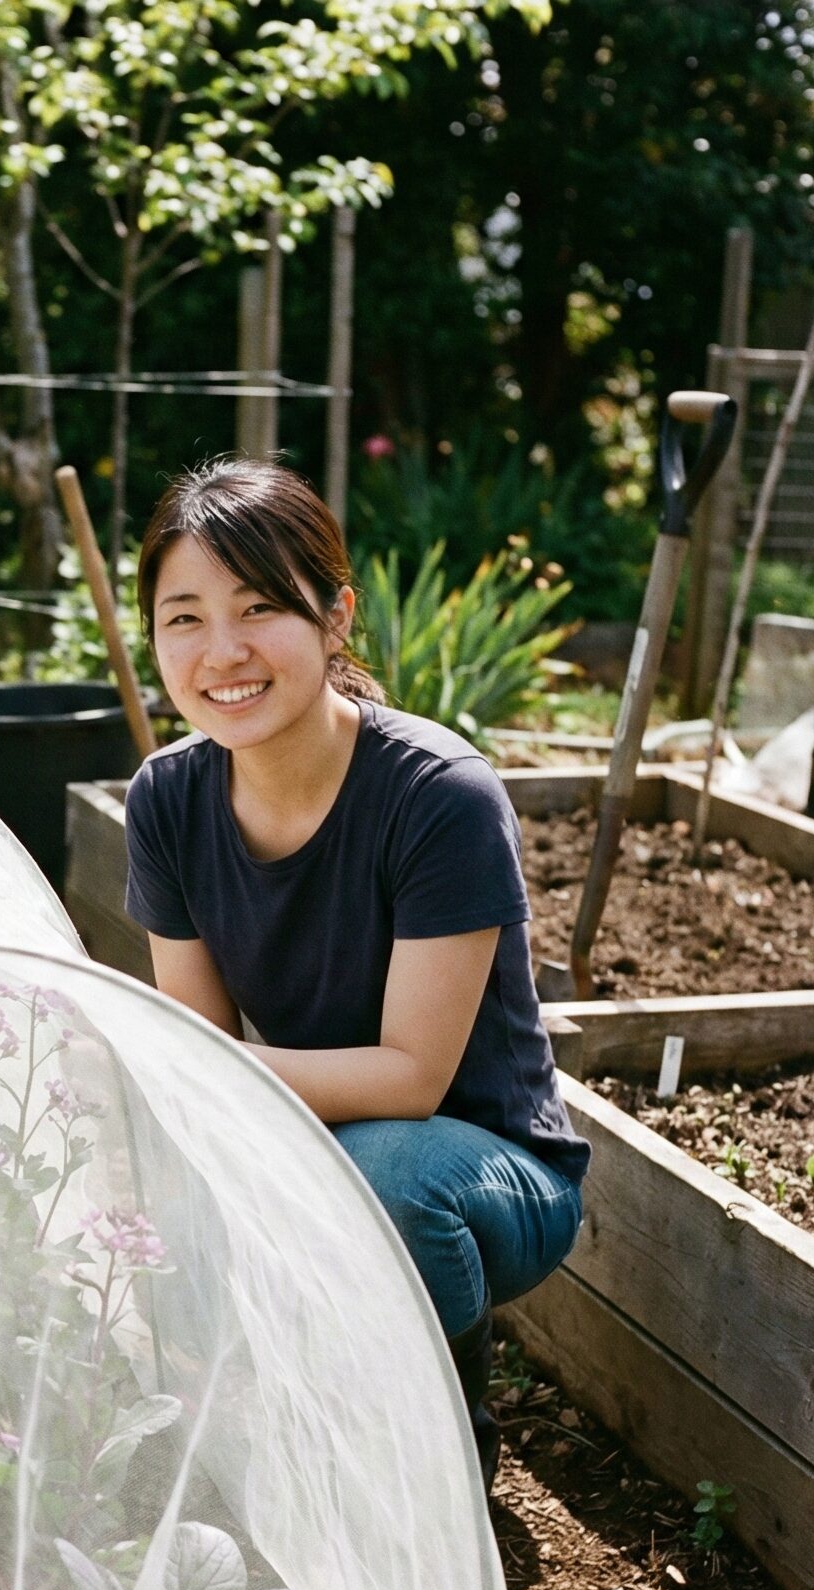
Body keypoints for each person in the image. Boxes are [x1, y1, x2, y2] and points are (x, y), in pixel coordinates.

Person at [121, 455, 589, 1489]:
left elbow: (407, 1078)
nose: (221, 651)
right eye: (183, 617)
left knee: (383, 1172)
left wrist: (210, 1072)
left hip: (474, 1171)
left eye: (257, 608)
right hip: (304, 1137)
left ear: (334, 619)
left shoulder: (437, 795)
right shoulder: (165, 798)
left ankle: (443, 1443)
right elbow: (191, 1059)